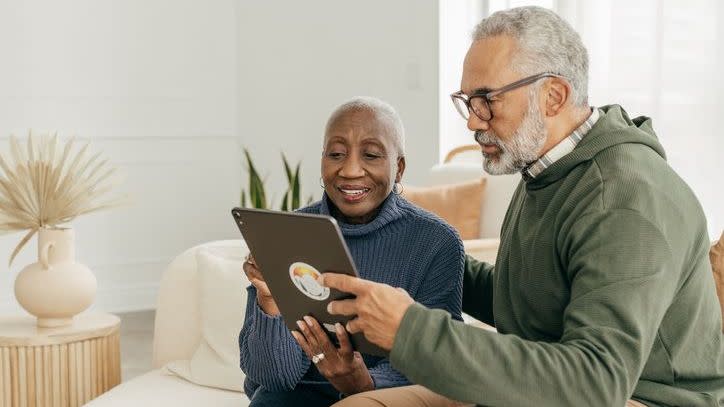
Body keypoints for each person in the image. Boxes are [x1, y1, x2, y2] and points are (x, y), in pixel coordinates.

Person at [323, 7, 724, 407]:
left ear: (553, 96)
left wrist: (409, 330)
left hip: (637, 396)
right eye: (468, 101)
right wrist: (413, 254)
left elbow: (595, 383)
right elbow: (531, 299)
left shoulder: (625, 198)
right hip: (548, 380)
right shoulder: (549, 169)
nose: (473, 122)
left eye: (486, 100)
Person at [238, 96, 465, 406]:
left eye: (371, 155)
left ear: (398, 168)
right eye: (336, 154)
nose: (350, 169)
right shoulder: (288, 233)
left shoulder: (437, 242)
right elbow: (273, 377)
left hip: (382, 398)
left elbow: (441, 362)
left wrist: (366, 382)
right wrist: (269, 300)